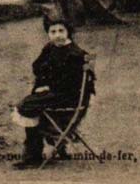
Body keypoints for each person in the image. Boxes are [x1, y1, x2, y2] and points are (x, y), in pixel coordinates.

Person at [12, 17, 94, 169]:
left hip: (70, 97)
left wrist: (49, 86)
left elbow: (73, 83)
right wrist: (44, 82)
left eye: (61, 31)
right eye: (53, 32)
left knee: (26, 105)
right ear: (48, 34)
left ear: (68, 32)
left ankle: (33, 155)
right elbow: (36, 66)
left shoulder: (75, 54)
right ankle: (52, 146)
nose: (57, 35)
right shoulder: (50, 48)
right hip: (57, 93)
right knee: (29, 104)